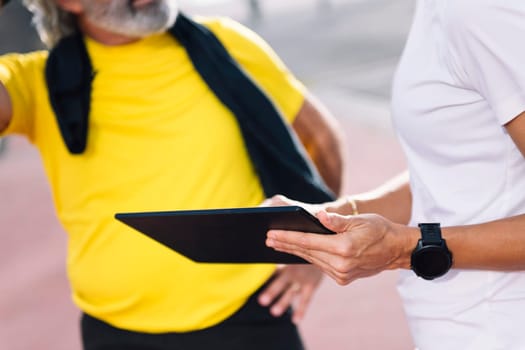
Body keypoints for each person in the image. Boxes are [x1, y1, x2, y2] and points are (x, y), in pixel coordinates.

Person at [0, 0, 346, 349]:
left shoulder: (227, 43)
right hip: (115, 334)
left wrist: (315, 250)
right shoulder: (36, 82)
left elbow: (321, 139)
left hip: (250, 316)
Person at [265, 1, 525, 349]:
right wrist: (337, 216)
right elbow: (450, 171)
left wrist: (403, 248)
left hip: (496, 326)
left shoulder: (480, 11)